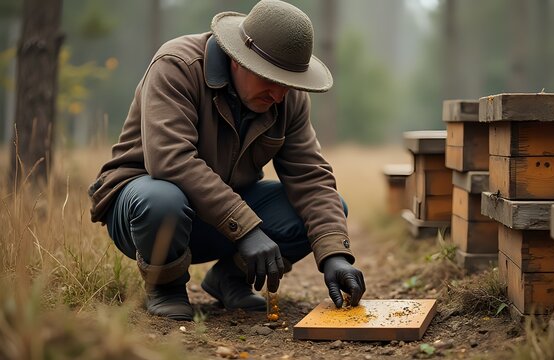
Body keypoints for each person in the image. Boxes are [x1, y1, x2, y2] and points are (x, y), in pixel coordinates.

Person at [88, 0, 366, 321]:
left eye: (287, 84)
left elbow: (312, 178)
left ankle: (229, 280)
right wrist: (247, 230)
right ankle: (165, 286)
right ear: (239, 59)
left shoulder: (288, 96)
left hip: (219, 218)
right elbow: (170, 161)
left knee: (328, 211)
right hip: (145, 214)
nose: (279, 95)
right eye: (270, 79)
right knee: (162, 198)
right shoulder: (177, 65)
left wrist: (334, 254)